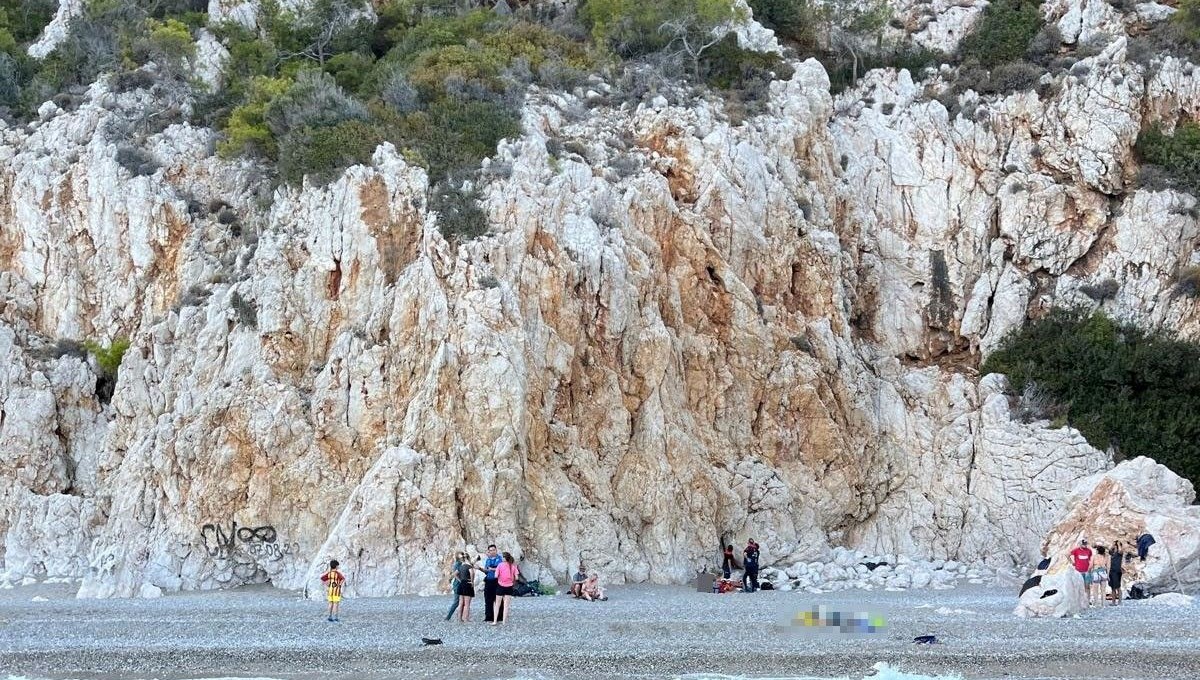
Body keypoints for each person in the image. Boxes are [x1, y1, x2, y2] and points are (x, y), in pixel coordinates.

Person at [493, 551, 520, 625]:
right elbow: (517, 577)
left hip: (500, 586)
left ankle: (495, 621)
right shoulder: (513, 566)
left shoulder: (500, 565)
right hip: (509, 587)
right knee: (506, 605)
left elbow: (495, 576)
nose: (501, 558)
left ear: (505, 558)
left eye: (502, 557)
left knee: (497, 604)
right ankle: (504, 622)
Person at [482, 545, 502, 623]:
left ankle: (499, 616)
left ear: (496, 550)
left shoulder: (499, 559)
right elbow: (486, 570)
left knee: (498, 599)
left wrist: (492, 569)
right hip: (488, 580)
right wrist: (481, 569)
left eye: (493, 550)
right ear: (488, 551)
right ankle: (488, 616)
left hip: (497, 581)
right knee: (488, 599)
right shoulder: (488, 560)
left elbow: (500, 569)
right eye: (490, 550)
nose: (492, 551)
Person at [455, 554, 478, 622]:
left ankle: (459, 618)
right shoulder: (469, 566)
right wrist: (472, 581)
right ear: (469, 558)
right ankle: (466, 618)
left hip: (461, 584)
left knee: (461, 603)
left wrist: (460, 580)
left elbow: (455, 574)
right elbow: (472, 573)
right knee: (467, 604)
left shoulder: (460, 566)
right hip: (467, 584)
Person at [445, 552, 466, 621]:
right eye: (461, 557)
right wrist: (461, 581)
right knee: (457, 601)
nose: (463, 557)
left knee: (462, 601)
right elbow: (455, 574)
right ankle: (448, 617)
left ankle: (459, 616)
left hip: (460, 585)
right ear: (458, 557)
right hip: (458, 585)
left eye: (463, 556)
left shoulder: (460, 563)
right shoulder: (458, 564)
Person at [1109, 541, 1124, 606]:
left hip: (1117, 571)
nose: (1114, 546)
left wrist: (1118, 544)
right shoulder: (1112, 553)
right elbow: (1109, 550)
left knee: (1118, 587)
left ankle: (1120, 601)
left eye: (1116, 546)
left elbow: (1120, 550)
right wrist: (1113, 544)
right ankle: (1113, 602)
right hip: (1111, 571)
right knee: (1112, 587)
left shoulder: (1119, 553)